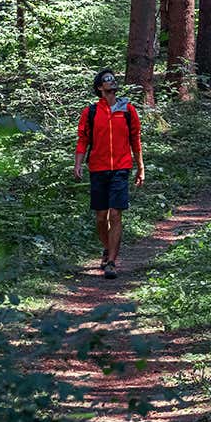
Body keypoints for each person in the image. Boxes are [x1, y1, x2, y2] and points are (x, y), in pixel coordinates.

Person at [74, 69, 144, 279]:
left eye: (113, 79)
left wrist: (140, 167)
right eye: (107, 79)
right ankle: (107, 247)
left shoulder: (128, 109)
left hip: (121, 168)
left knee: (115, 214)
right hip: (98, 168)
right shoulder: (91, 112)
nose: (111, 81)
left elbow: (136, 139)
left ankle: (112, 261)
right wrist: (77, 164)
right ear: (99, 88)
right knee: (101, 217)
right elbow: (83, 139)